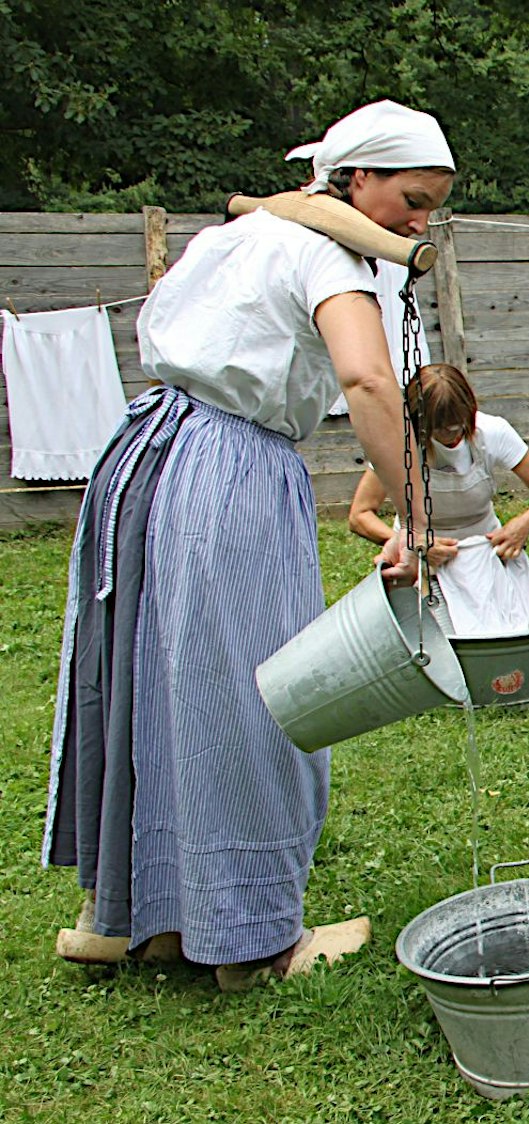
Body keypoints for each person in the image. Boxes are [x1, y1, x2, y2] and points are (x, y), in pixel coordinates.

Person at [43, 100, 455, 988]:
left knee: (147, 682)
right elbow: (365, 376)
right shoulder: (321, 250)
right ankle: (254, 940)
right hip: (227, 465)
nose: (420, 222)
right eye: (411, 200)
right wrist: (417, 512)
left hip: (146, 448)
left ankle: (133, 916)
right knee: (259, 695)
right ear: (354, 180)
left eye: (432, 205)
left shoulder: (238, 237)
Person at [347, 363, 529, 633]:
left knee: (511, 632)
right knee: (435, 642)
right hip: (424, 562)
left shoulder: (492, 432)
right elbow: (360, 515)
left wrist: (526, 521)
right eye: (440, 430)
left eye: (458, 426)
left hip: (485, 555)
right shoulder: (400, 445)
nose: (451, 436)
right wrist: (410, 543)